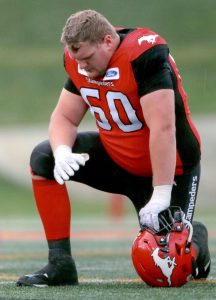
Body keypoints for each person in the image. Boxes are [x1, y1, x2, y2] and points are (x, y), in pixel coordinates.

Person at [17, 9, 210, 287]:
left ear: (108, 41)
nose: (82, 67)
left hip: (171, 169)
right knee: (43, 157)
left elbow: (163, 128)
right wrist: (62, 152)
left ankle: (197, 243)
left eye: (86, 59)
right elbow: (64, 117)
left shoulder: (144, 57)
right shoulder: (81, 61)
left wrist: (161, 193)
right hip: (118, 160)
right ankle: (60, 263)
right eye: (77, 60)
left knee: (165, 270)